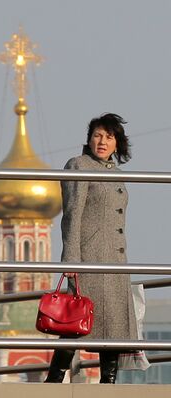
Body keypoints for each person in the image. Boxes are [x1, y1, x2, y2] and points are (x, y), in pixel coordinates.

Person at [45, 113, 137, 384]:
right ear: (88, 139)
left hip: (116, 260)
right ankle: (54, 378)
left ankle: (108, 382)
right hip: (90, 256)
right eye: (97, 135)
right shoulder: (79, 165)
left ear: (117, 144)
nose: (102, 141)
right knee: (77, 320)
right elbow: (72, 215)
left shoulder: (116, 173)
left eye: (109, 137)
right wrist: (71, 260)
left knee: (114, 327)